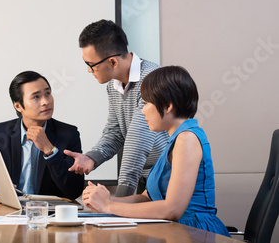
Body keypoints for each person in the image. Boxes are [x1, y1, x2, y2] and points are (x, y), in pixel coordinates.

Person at [82, 66, 231, 237]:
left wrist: (108, 207)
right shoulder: (173, 139)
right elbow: (147, 197)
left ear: (167, 106)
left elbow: (172, 209)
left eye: (146, 104)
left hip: (195, 232)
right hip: (174, 231)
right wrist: (106, 199)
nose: (143, 110)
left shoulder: (187, 139)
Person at [64, 19, 169, 197]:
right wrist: (91, 157)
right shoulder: (114, 86)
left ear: (112, 62)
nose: (89, 71)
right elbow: (116, 132)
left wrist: (117, 202)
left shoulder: (151, 80)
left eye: (91, 65)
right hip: (145, 178)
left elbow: (137, 143)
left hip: (166, 176)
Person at [0, 71, 84, 200]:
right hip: (11, 211)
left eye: (47, 93)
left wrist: (49, 151)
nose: (45, 101)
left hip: (49, 213)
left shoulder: (68, 134)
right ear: (18, 106)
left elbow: (74, 190)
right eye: (36, 97)